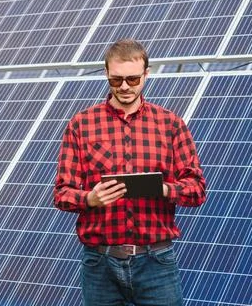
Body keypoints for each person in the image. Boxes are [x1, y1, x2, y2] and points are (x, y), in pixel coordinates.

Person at [53, 38, 206, 306]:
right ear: (106, 74)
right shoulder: (81, 124)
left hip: (156, 262)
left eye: (133, 79)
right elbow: (62, 193)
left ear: (146, 74)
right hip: (99, 264)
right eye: (116, 79)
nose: (124, 86)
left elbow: (196, 189)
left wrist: (164, 189)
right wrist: (90, 199)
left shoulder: (170, 125)